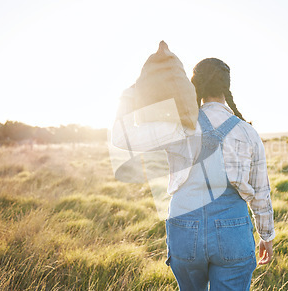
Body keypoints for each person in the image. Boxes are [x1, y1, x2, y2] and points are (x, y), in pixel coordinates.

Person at [112, 57, 274, 291]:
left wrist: (133, 92)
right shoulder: (248, 132)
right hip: (234, 233)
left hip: (184, 231)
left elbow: (121, 137)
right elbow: (261, 192)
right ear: (226, 87)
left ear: (193, 85)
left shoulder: (178, 125)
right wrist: (266, 235)